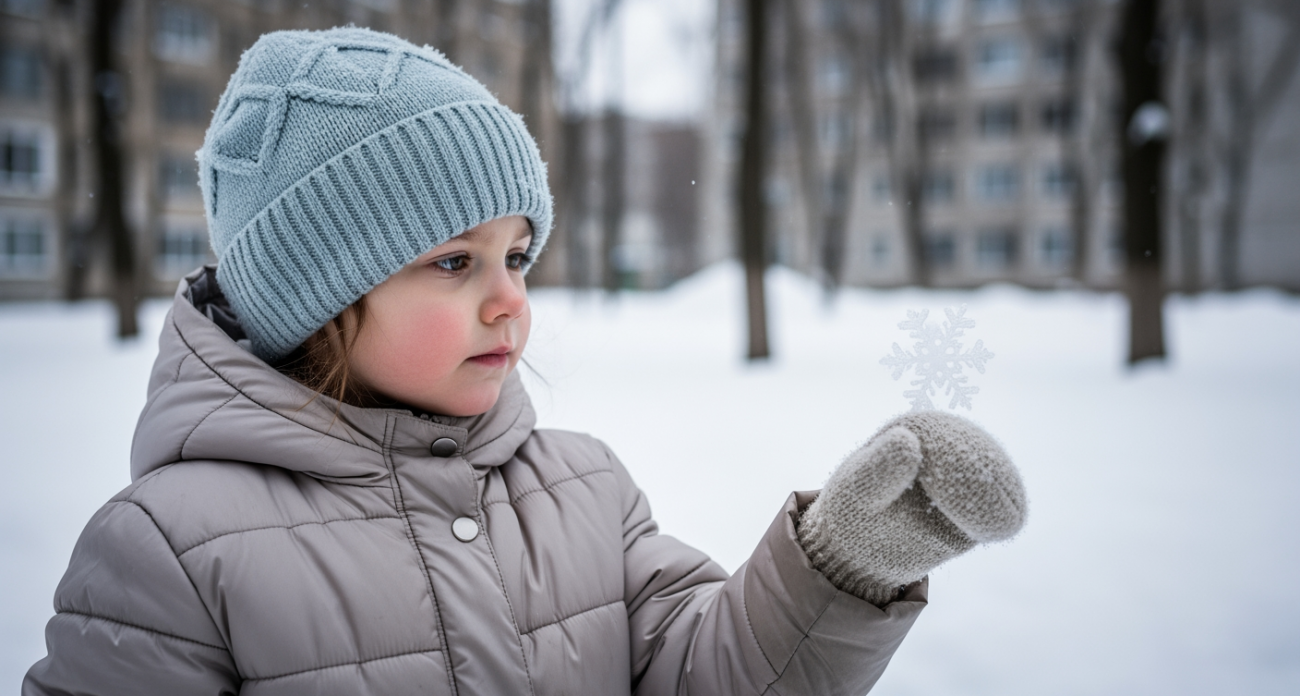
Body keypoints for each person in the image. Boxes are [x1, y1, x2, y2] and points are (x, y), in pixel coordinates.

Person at [24, 27, 1027, 695]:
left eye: (515, 255)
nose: (509, 297)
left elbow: (701, 674)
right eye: (453, 262)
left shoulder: (583, 488)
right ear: (318, 298)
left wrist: (841, 565)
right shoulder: (169, 551)